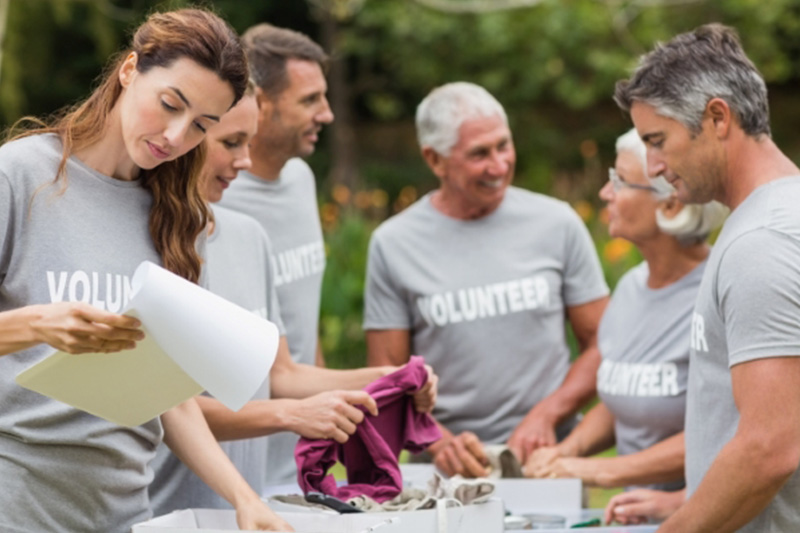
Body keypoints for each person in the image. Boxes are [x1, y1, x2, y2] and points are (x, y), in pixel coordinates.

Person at [0, 9, 291, 532]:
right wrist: (35, 325)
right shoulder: (19, 177)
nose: (177, 136)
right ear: (130, 69)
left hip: (125, 515)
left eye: (202, 126)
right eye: (170, 105)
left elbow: (170, 396)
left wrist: (245, 499)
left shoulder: (173, 217)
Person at [149, 81, 437, 515]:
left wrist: (387, 378)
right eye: (231, 142)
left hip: (248, 510)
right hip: (168, 513)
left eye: (248, 142)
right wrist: (287, 415)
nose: (245, 160)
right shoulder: (145, 248)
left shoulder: (249, 238)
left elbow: (280, 375)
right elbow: (163, 406)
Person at [364, 81, 610, 477]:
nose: (498, 166)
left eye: (503, 146)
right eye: (479, 154)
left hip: (546, 460)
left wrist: (550, 413)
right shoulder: (394, 244)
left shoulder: (557, 223)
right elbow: (386, 373)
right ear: (435, 159)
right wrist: (438, 441)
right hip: (445, 471)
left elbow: (603, 341)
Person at [609, 23, 800, 532]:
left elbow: (769, 447)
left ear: (718, 117)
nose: (652, 166)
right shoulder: (777, 215)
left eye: (658, 140)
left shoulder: (762, 241)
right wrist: (688, 501)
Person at [524, 129, 727, 492]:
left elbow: (728, 431)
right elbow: (626, 400)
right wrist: (566, 451)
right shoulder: (631, 288)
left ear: (671, 204)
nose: (605, 194)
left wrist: (597, 472)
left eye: (620, 181)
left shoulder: (719, 292)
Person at [217, 23, 335, 487]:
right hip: (236, 464)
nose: (326, 114)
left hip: (302, 454)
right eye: (309, 100)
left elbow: (304, 323)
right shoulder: (217, 194)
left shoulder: (302, 179)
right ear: (260, 103)